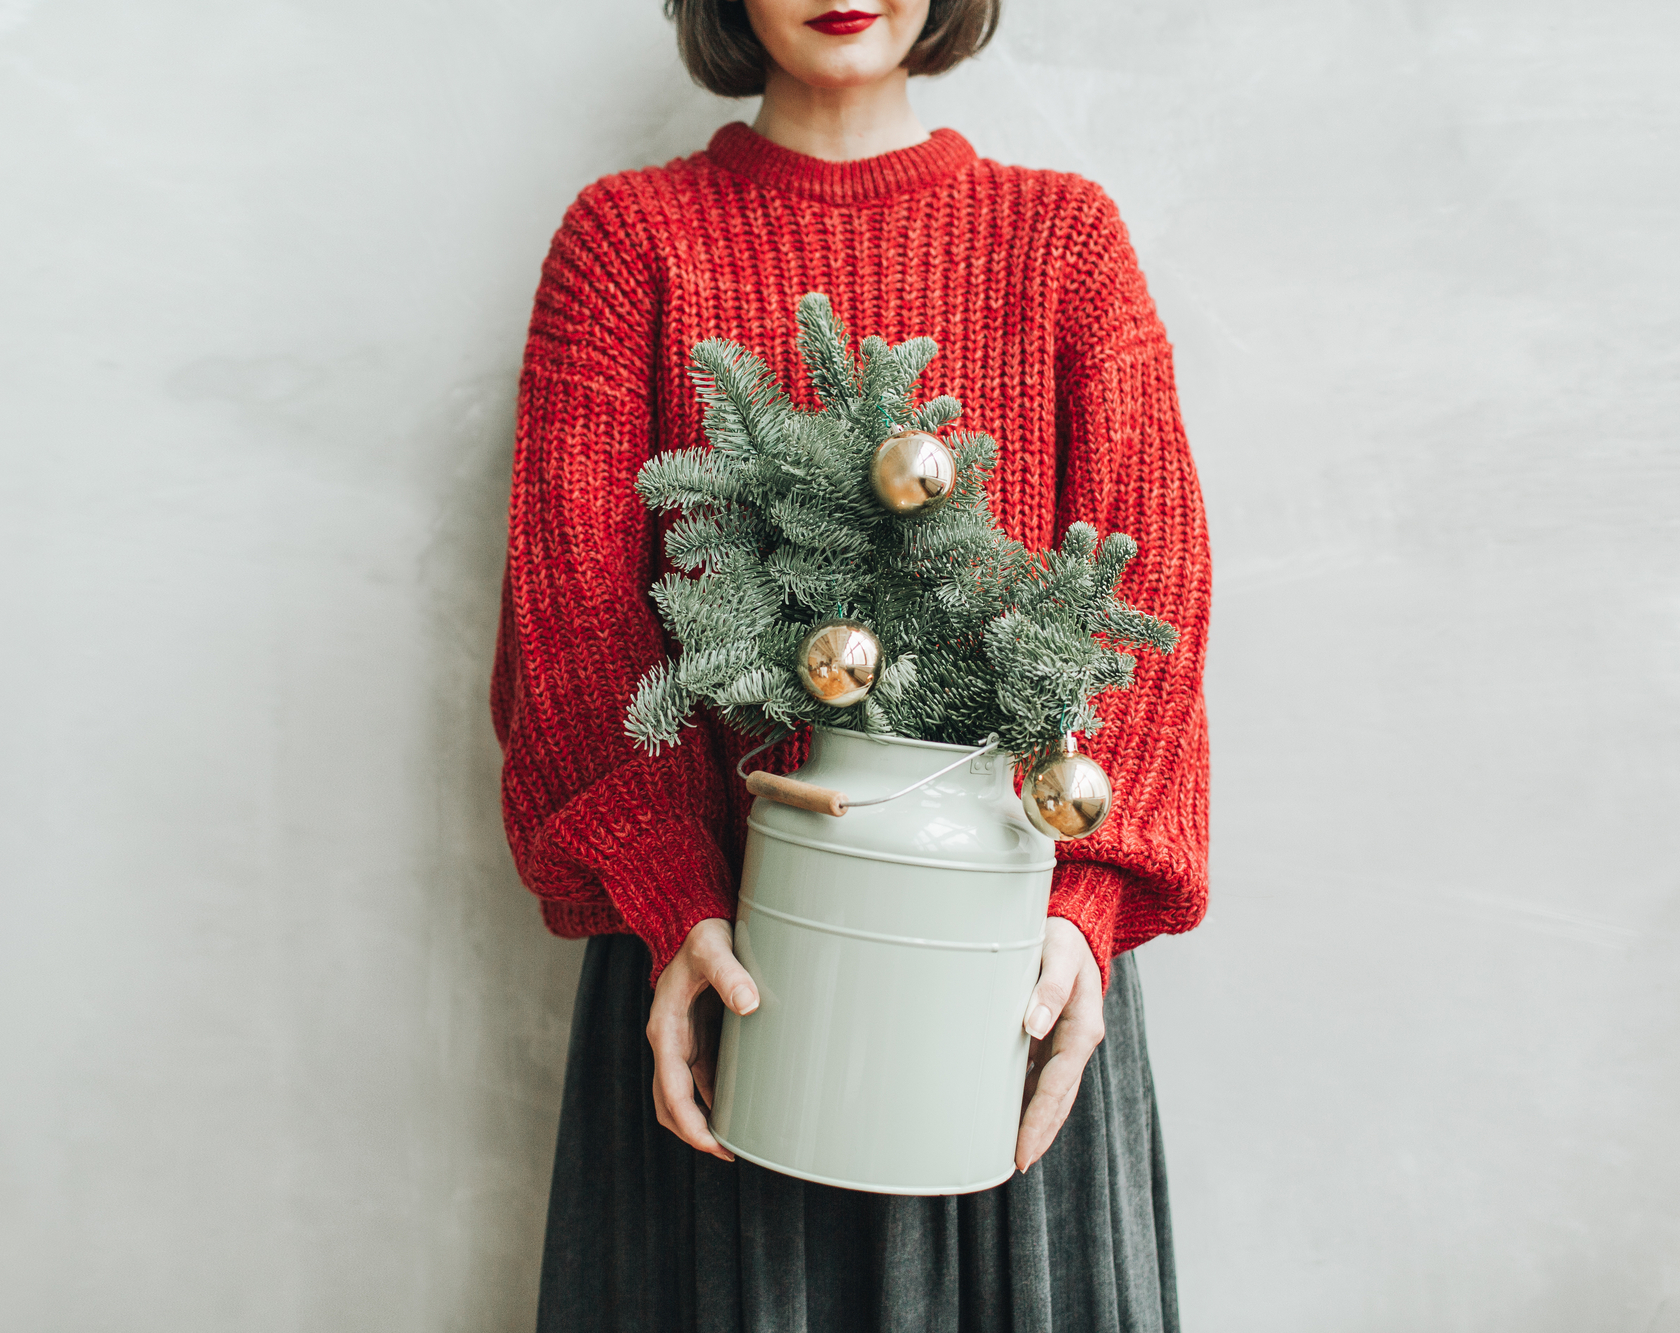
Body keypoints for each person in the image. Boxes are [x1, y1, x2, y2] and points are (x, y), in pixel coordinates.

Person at [492, 1, 1211, 1327]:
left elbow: (1148, 596)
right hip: (715, 981)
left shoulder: (1064, 244)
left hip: (1006, 976)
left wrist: (1085, 913)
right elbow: (572, 624)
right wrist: (678, 900)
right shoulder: (627, 245)